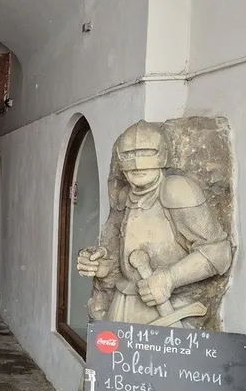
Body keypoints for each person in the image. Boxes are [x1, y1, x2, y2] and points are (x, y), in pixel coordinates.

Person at [76, 121, 232, 326]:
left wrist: (170, 278)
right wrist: (101, 263)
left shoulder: (177, 190)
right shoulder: (126, 196)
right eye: (129, 155)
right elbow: (119, 255)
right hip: (123, 303)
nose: (137, 163)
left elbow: (217, 252)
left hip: (169, 308)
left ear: (162, 155)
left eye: (145, 153)